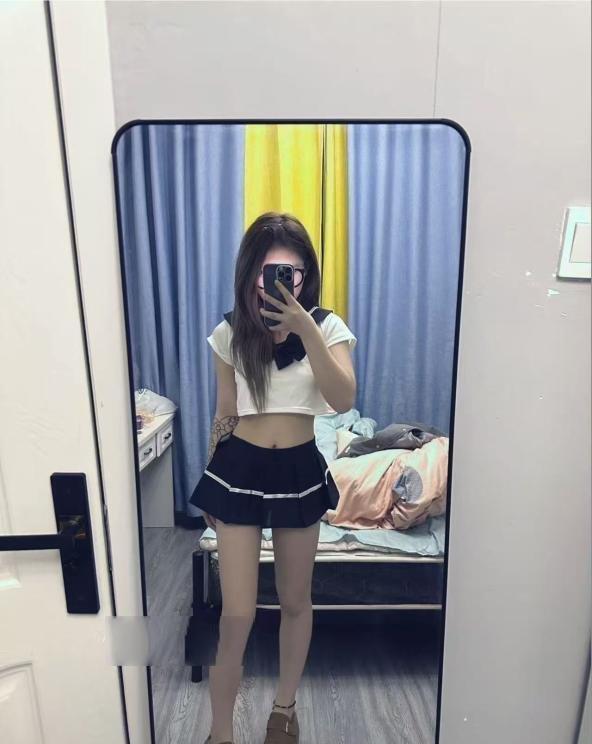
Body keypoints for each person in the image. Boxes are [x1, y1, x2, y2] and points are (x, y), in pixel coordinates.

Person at [190, 212, 357, 744]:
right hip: (238, 467)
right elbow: (225, 411)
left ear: (306, 275)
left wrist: (306, 328)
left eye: (293, 273)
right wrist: (211, 476)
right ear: (251, 276)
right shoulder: (229, 334)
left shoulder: (328, 327)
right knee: (237, 611)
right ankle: (220, 731)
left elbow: (343, 399)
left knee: (295, 600)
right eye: (270, 273)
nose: (282, 284)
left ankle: (284, 710)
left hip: (299, 468)